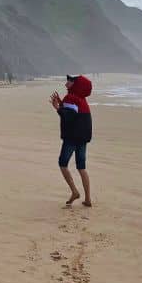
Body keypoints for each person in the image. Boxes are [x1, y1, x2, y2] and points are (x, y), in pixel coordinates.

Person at [49, 74, 93, 206]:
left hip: (72, 137)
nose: (66, 83)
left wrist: (57, 107)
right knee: (81, 167)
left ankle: (74, 191)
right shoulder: (82, 99)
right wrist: (62, 104)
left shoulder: (71, 97)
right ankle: (88, 199)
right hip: (83, 138)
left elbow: (68, 116)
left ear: (76, 85)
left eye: (69, 81)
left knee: (62, 163)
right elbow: (73, 112)